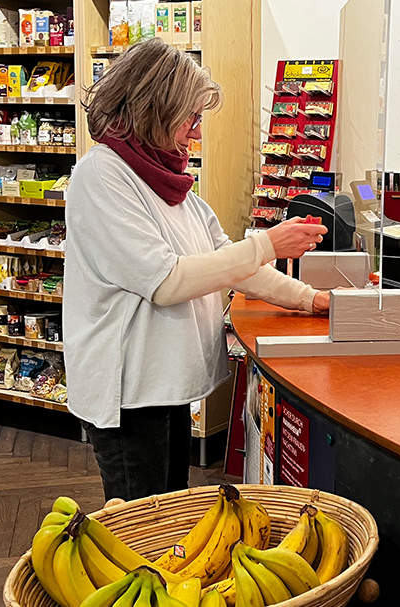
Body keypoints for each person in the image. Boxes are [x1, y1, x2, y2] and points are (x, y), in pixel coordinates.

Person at [64, 39, 330, 501]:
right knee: (139, 524)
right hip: (129, 391)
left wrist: (309, 299)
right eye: (191, 119)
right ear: (155, 109)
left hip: (162, 383)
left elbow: (229, 265)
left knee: (169, 509)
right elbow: (166, 282)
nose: (196, 134)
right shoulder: (101, 177)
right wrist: (268, 243)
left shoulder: (170, 183)